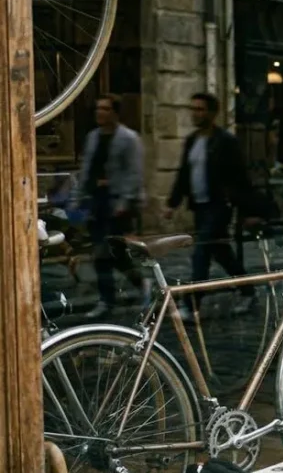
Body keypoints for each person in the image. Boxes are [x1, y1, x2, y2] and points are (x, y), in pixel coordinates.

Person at [164, 93, 259, 320]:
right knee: (222, 253)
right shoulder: (192, 140)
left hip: (219, 207)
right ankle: (249, 292)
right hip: (200, 207)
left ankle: (191, 305)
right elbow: (184, 175)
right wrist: (172, 203)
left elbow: (241, 179)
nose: (196, 113)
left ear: (212, 113)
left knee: (201, 253)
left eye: (200, 109)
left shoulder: (226, 141)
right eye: (193, 108)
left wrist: (249, 211)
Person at [75, 95, 147, 319]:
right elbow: (86, 169)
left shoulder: (128, 138)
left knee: (108, 254)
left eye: (105, 109)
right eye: (98, 108)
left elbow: (134, 173)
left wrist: (125, 202)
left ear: (115, 113)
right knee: (106, 254)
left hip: (117, 204)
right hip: (97, 201)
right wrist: (78, 199)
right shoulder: (93, 137)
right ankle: (122, 292)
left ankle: (115, 296)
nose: (100, 113)